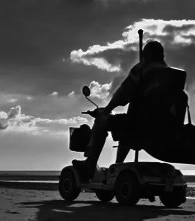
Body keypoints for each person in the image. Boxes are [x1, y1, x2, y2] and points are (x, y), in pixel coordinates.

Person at [73, 39, 184, 178]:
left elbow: (122, 94)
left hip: (139, 125)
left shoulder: (144, 69)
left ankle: (89, 166)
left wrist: (106, 111)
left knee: (103, 121)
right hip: (166, 128)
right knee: (125, 128)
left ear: (146, 55)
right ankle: (117, 168)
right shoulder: (172, 75)